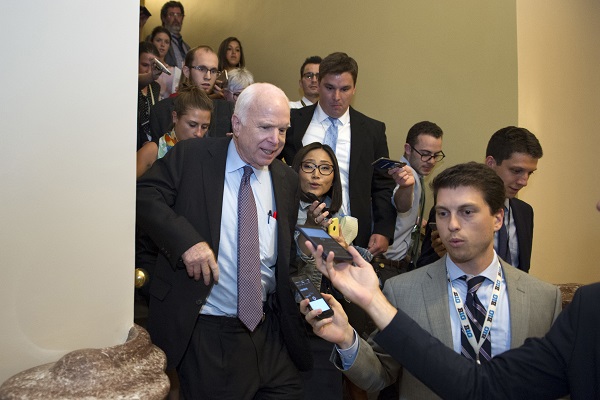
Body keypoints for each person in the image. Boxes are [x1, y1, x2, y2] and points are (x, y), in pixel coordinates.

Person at [304, 162, 562, 399]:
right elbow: (379, 376)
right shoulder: (403, 290)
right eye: (442, 213)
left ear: (497, 218)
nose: (452, 225)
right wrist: (346, 339)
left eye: (467, 212)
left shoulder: (543, 299)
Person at [137, 83, 311, 399]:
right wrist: (186, 242)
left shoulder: (285, 179)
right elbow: (144, 195)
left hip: (268, 330)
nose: (276, 140)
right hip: (210, 329)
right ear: (236, 123)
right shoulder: (192, 157)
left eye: (283, 130)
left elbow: (283, 255)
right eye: (266, 127)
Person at [281, 52, 396, 256]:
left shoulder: (372, 130)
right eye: (329, 88)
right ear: (318, 83)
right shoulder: (293, 122)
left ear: (354, 89)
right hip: (299, 230)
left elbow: (383, 185)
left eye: (345, 89)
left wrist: (383, 229)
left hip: (351, 234)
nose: (336, 97)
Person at [418, 126, 543, 272]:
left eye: (530, 173)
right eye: (516, 171)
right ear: (490, 163)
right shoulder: (448, 210)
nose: (524, 181)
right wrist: (445, 257)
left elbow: (522, 271)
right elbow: (424, 267)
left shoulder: (525, 212)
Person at [375, 121, 444, 276]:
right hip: (386, 265)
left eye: (436, 155)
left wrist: (417, 220)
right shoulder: (405, 177)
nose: (431, 161)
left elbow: (395, 211)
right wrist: (406, 187)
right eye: (425, 154)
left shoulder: (415, 176)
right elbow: (401, 205)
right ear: (408, 149)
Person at [149, 46, 234, 141]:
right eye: (202, 69)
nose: (208, 76)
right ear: (186, 71)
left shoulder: (228, 110)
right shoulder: (161, 111)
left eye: (213, 71)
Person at [136, 83, 212, 178]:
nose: (199, 134)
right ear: (175, 117)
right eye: (192, 125)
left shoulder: (209, 154)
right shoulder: (153, 151)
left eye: (204, 127)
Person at [137, 42, 162, 150]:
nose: (148, 70)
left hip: (151, 145)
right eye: (145, 65)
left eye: (153, 67)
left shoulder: (155, 87)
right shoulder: (129, 87)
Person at [149, 26, 182, 100]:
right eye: (158, 40)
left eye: (166, 42)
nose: (162, 45)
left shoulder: (176, 72)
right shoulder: (145, 68)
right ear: (151, 42)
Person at [158, 1, 189, 68]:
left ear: (182, 18)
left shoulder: (187, 47)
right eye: (171, 14)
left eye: (178, 15)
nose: (176, 19)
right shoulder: (156, 40)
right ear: (164, 18)